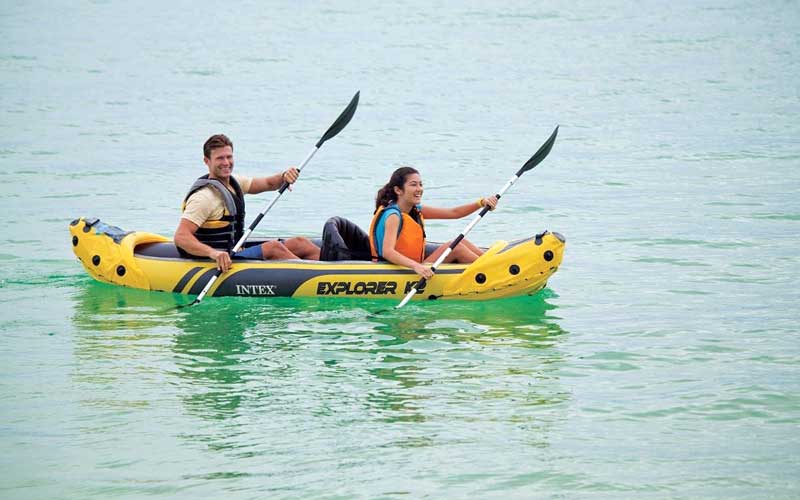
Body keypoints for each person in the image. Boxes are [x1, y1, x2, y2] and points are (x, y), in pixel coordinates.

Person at [174, 134, 320, 272]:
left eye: (229, 157)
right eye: (220, 158)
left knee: (300, 243)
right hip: (217, 260)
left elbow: (269, 183)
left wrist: (284, 176)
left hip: (236, 251)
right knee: (274, 248)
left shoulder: (235, 182)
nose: (226, 163)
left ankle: (336, 270)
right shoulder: (204, 198)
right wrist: (214, 253)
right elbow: (181, 237)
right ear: (207, 161)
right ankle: (318, 278)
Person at [368, 166, 498, 278]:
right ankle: (494, 271)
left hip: (414, 264)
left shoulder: (414, 210)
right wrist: (416, 267)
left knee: (459, 241)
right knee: (456, 248)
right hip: (398, 269)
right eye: (413, 184)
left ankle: (495, 261)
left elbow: (454, 213)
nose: (419, 189)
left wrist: (481, 203)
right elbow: (387, 252)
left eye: (420, 184)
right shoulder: (393, 216)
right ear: (398, 190)